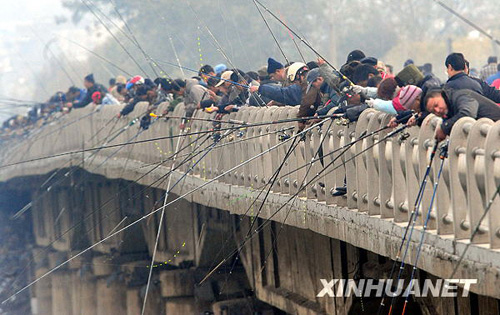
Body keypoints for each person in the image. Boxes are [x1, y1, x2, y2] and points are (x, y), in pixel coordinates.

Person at [425, 88, 500, 141]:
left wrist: (444, 128)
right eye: (433, 111)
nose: (437, 110)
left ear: (441, 95)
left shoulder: (461, 96)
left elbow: (468, 113)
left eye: (436, 105)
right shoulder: (450, 107)